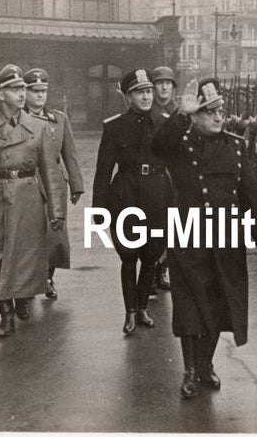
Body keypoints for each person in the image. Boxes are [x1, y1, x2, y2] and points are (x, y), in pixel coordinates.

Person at [153, 78, 257, 399]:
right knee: (190, 305)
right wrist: (181, 115)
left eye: (221, 111)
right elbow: (158, 146)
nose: (218, 117)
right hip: (188, 234)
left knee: (217, 304)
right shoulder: (181, 143)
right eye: (210, 112)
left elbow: (250, 191)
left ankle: (205, 364)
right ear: (196, 115)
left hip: (226, 238)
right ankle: (189, 370)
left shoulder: (236, 146)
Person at [0, 64, 65, 338]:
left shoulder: (39, 127)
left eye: (22, 89)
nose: (21, 94)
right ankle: (5, 316)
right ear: (0, 95)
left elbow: (50, 171)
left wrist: (56, 210)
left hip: (28, 198)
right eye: (15, 89)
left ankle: (23, 298)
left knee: (27, 256)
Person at [92, 69, 173, 334]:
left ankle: (142, 309)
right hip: (125, 198)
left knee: (151, 258)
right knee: (128, 258)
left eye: (149, 91)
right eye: (140, 93)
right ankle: (129, 312)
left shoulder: (164, 123)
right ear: (128, 97)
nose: (146, 97)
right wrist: (98, 210)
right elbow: (103, 171)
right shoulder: (114, 127)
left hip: (157, 197)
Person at [23, 68, 84, 299]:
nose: (40, 95)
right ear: (25, 93)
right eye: (35, 91)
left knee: (54, 235)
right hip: (28, 182)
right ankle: (28, 281)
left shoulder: (59, 119)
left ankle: (48, 278)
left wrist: (76, 186)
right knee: (28, 234)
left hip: (55, 185)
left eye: (43, 91)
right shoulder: (17, 119)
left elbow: (70, 154)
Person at [149, 66, 179, 293]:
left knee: (172, 222)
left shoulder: (179, 110)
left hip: (175, 174)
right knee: (152, 222)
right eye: (160, 83)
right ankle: (150, 269)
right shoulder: (148, 110)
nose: (165, 87)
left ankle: (164, 267)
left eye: (168, 83)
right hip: (154, 172)